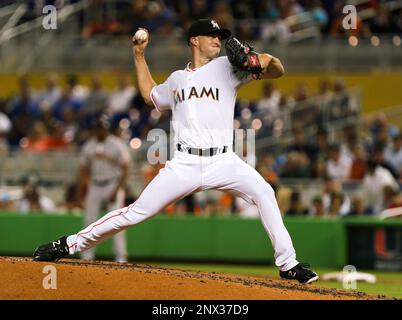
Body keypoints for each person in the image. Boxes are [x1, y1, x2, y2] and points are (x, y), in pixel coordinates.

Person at [33, 19, 318, 284]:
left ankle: (288, 264)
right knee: (135, 213)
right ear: (194, 40)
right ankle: (68, 244)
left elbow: (276, 70)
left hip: (223, 160)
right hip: (184, 163)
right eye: (212, 36)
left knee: (264, 192)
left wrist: (260, 58)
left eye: (220, 36)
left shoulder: (227, 67)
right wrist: (139, 56)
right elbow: (149, 96)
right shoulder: (177, 79)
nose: (218, 40)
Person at [76, 115, 130, 262]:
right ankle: (86, 257)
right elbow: (82, 168)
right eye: (98, 128)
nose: (100, 130)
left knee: (117, 223)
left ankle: (121, 258)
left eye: (103, 128)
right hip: (95, 185)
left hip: (113, 183)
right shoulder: (89, 145)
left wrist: (117, 190)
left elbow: (125, 168)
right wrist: (84, 188)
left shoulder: (117, 144)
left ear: (107, 129)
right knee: (89, 221)